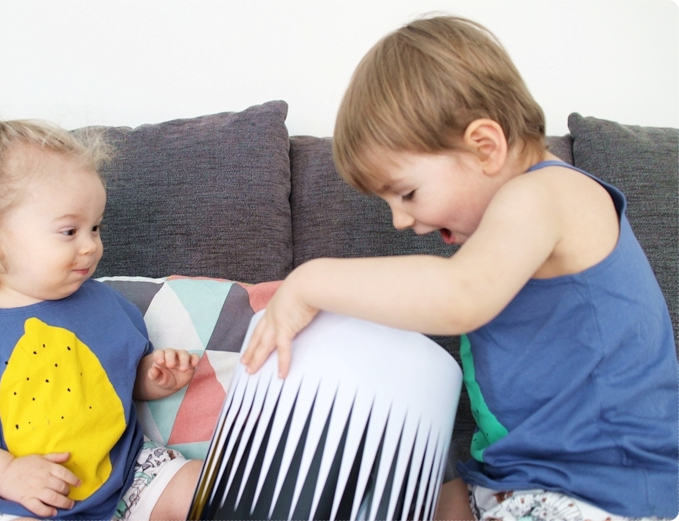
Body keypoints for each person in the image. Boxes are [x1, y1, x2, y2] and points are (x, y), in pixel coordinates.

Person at [241, 15, 678, 520]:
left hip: (604, 490)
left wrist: (310, 281)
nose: (402, 220)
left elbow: (458, 296)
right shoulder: (513, 228)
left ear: (485, 147)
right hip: (515, 480)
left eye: (407, 193)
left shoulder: (551, 194)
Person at [0, 96, 203, 520]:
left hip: (122, 477)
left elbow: (113, 380)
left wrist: (152, 378)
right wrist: (4, 474)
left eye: (95, 227)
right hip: (8, 501)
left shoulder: (105, 304)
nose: (90, 245)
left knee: (200, 485)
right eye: (69, 231)